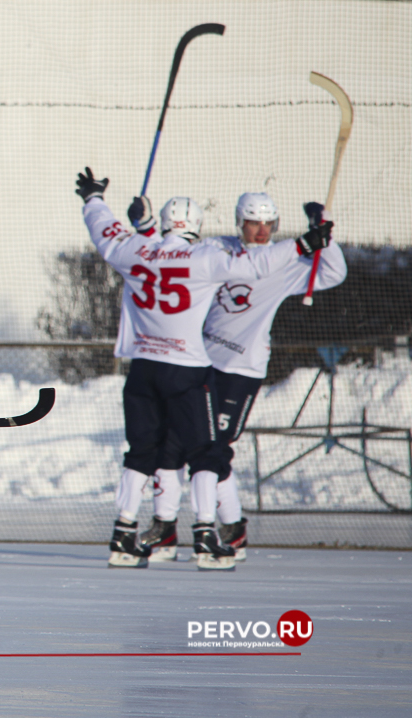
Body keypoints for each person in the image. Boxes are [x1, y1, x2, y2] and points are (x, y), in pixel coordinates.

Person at [75, 168, 332, 570]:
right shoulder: (205, 256)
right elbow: (258, 264)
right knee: (205, 451)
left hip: (142, 367)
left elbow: (105, 232)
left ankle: (123, 534)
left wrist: (93, 198)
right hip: (187, 371)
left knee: (143, 452)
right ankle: (206, 538)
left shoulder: (132, 250)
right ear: (197, 226)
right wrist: (302, 243)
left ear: (161, 224)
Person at [141, 193, 347, 562]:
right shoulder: (218, 250)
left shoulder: (283, 261)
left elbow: (333, 272)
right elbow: (169, 258)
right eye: (254, 222)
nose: (262, 231)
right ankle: (165, 530)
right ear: (240, 222)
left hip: (240, 370)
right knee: (170, 443)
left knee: (214, 447)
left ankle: (232, 530)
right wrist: (146, 229)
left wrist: (322, 228)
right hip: (199, 361)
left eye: (269, 224)